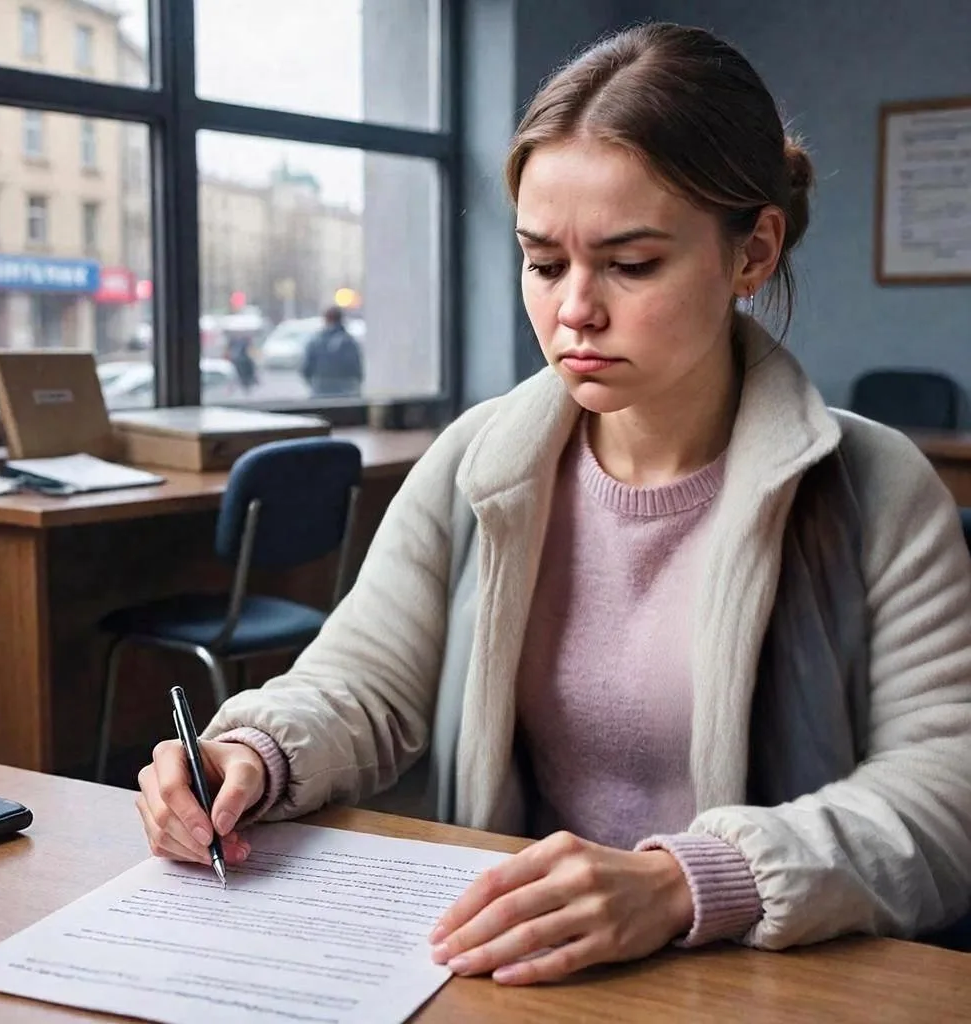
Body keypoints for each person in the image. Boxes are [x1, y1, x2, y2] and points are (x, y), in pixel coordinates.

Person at [137, 22, 971, 986]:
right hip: (512, 975)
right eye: (543, 263)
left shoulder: (876, 485)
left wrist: (684, 883)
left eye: (631, 263)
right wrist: (254, 751)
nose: (574, 308)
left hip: (764, 981)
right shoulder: (476, 460)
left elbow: (946, 800)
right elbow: (361, 683)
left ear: (753, 254)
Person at [301, 306, 364, 397]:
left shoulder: (316, 342)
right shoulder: (349, 342)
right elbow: (357, 370)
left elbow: (306, 369)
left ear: (326, 319)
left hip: (320, 393)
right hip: (347, 394)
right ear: (341, 319)